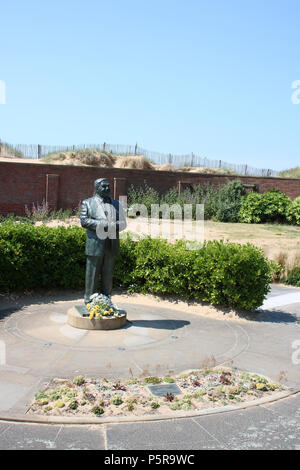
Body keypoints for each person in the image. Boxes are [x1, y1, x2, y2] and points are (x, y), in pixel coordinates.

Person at [80, 178, 127, 304]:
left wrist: (113, 225)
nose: (107, 189)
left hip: (111, 244)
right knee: (92, 274)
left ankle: (106, 299)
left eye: (108, 186)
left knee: (108, 274)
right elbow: (84, 221)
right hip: (95, 244)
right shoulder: (88, 203)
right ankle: (89, 301)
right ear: (96, 188)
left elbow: (123, 223)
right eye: (104, 187)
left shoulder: (117, 204)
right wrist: (103, 224)